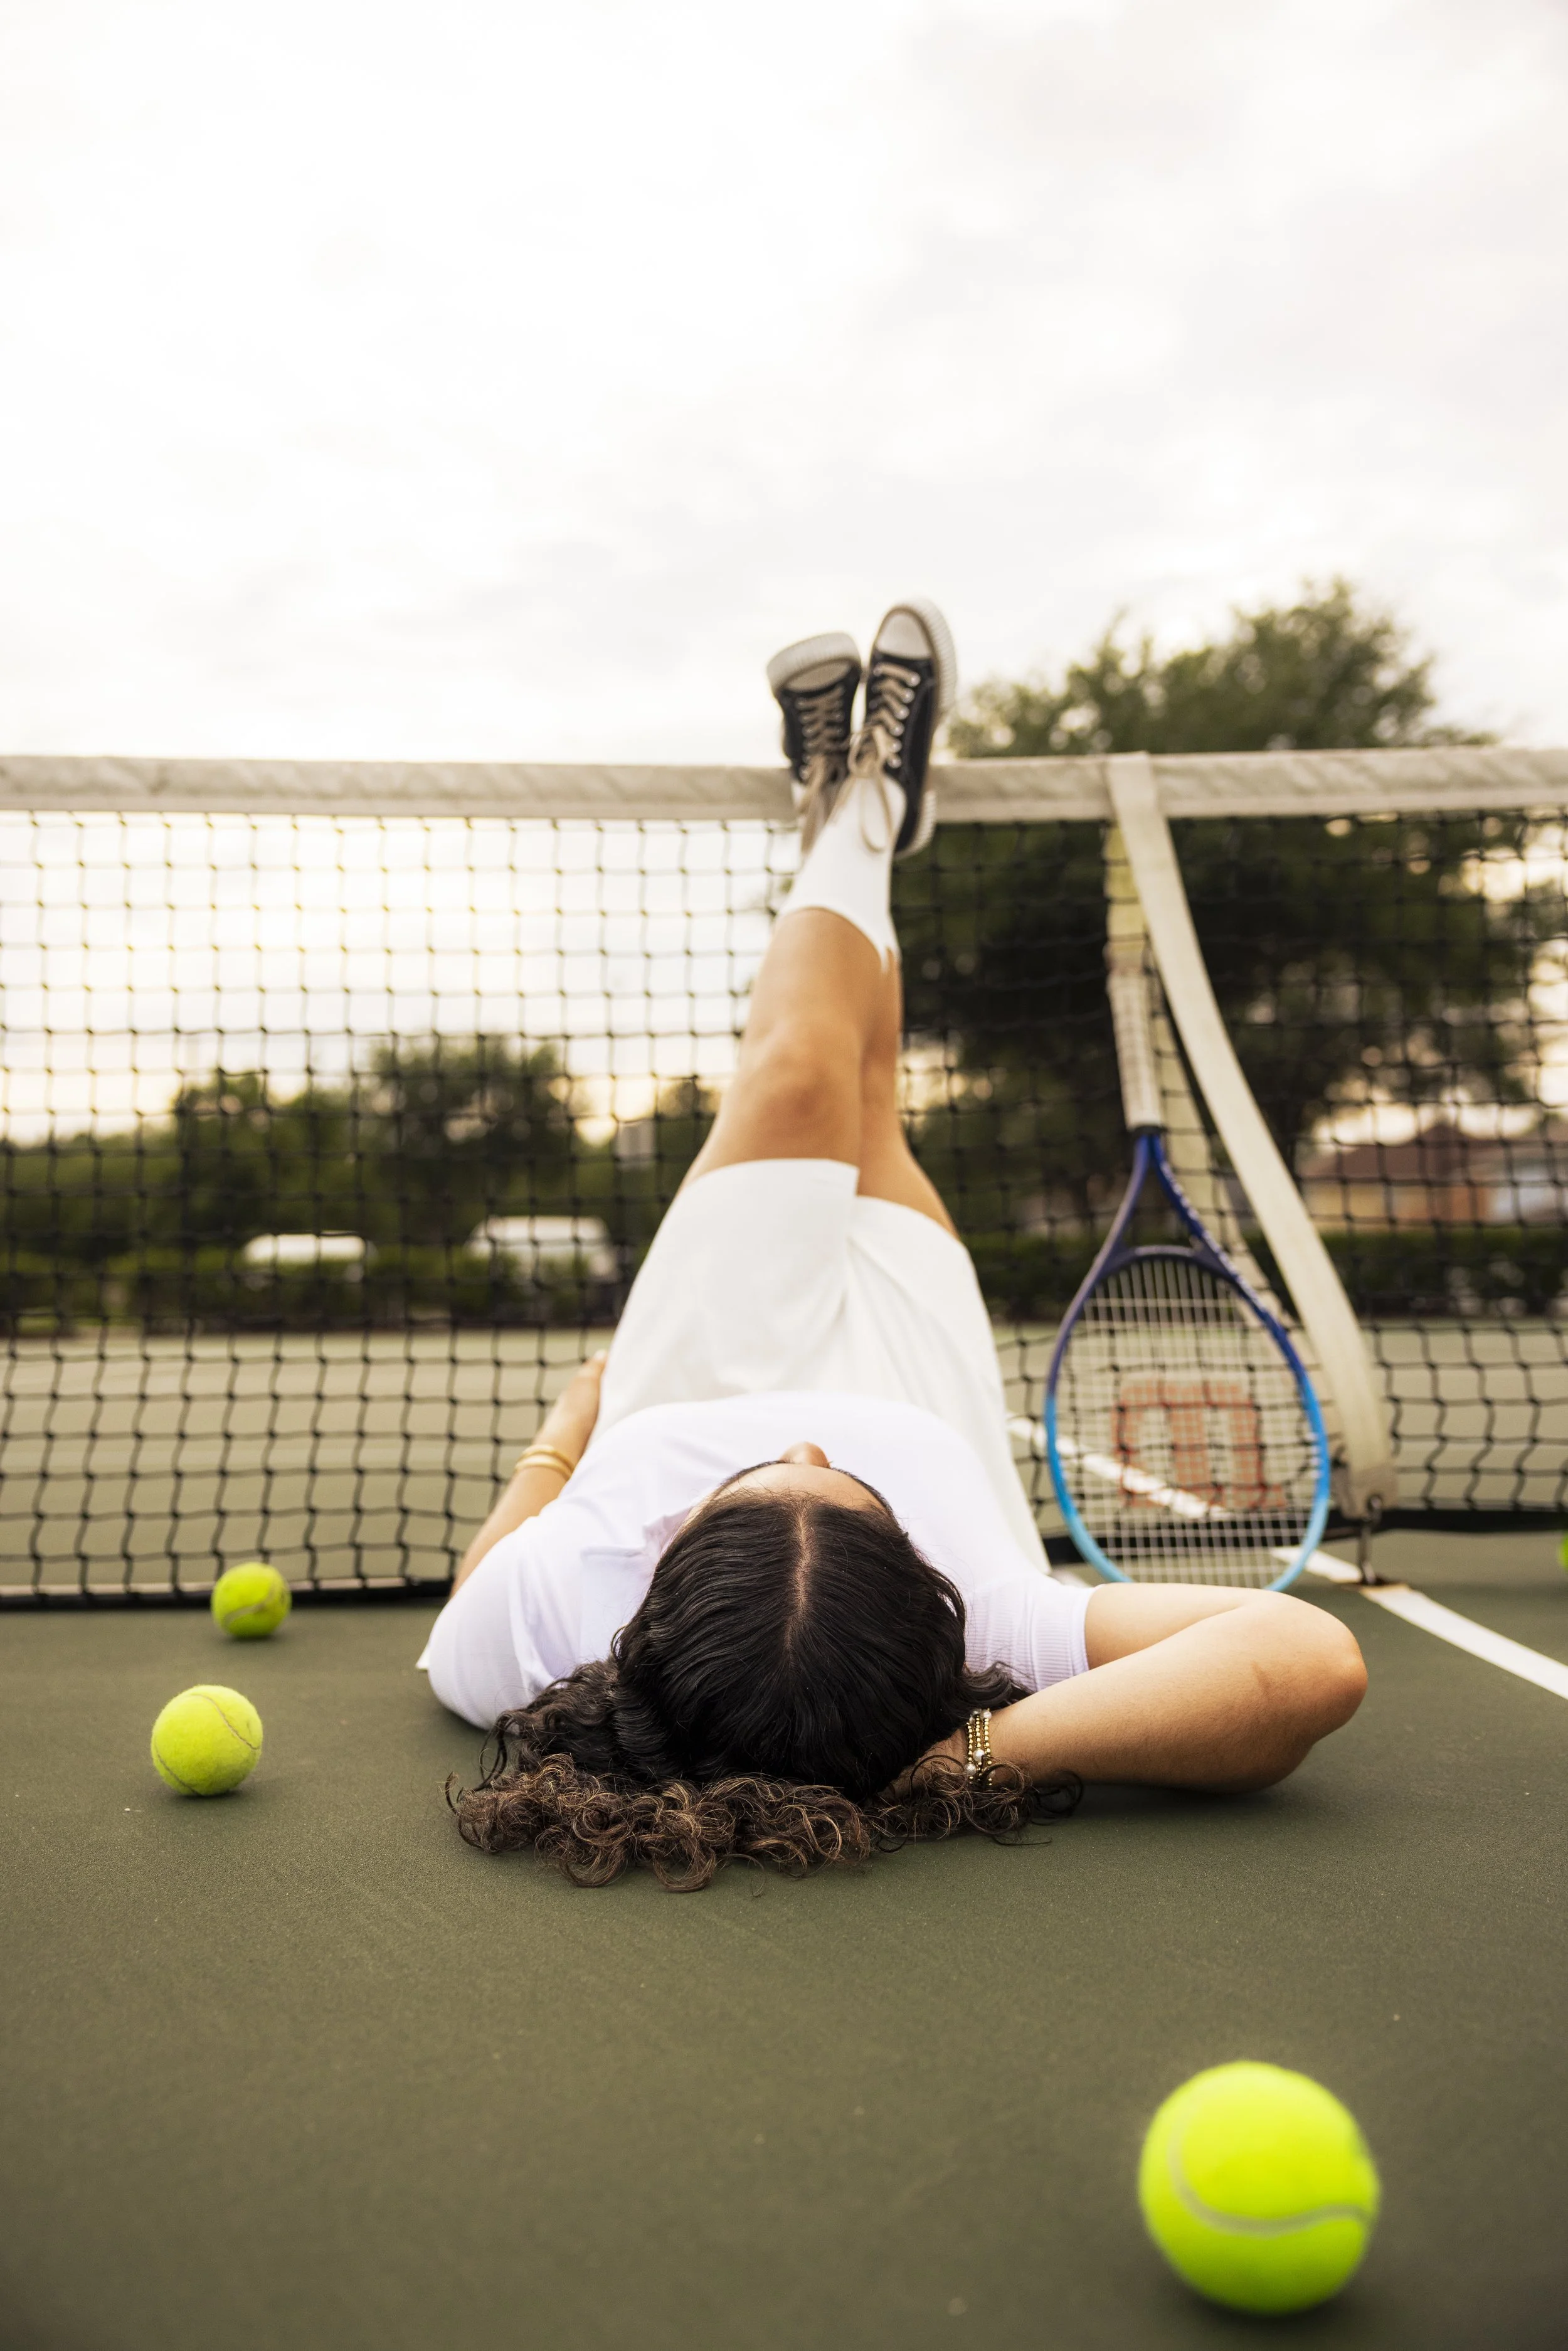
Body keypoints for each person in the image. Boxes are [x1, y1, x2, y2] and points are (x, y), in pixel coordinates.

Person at [423, 599, 1366, 1889]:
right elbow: (1304, 1661)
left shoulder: (551, 1631)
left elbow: (479, 1586)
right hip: (922, 1377)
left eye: (752, 1487)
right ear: (926, 1600)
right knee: (868, 1091)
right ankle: (851, 813)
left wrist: (559, 1435)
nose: (808, 1445)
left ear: (649, 1596)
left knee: (800, 1068)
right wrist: (965, 1754)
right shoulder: (992, 1629)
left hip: (703, 1352)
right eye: (860, 1508)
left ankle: (857, 803)